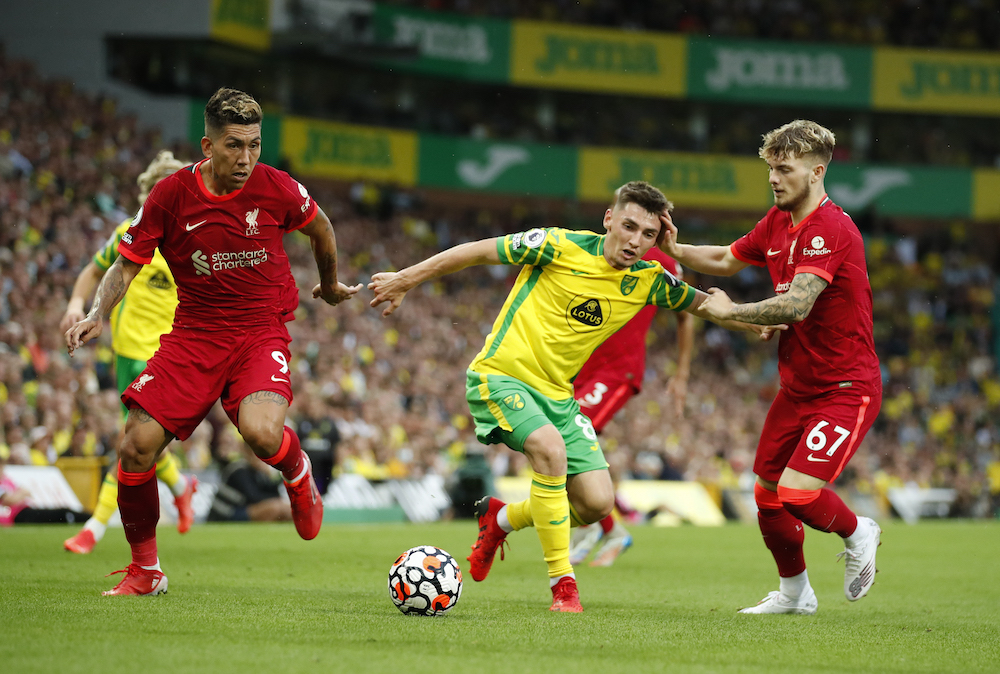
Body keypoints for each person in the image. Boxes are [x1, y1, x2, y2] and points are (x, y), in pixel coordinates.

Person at [369, 181, 784, 612]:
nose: (635, 241)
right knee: (550, 452)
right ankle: (563, 587)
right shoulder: (556, 245)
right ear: (609, 219)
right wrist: (405, 278)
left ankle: (501, 519)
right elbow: (475, 251)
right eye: (629, 226)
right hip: (501, 377)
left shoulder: (648, 280)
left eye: (648, 235)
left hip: (559, 397)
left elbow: (705, 307)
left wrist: (753, 319)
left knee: (595, 503)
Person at [65, 87, 361, 596]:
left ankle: (297, 470)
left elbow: (322, 229)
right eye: (233, 145)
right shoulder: (170, 196)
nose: (246, 158)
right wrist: (97, 313)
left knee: (264, 435)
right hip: (195, 335)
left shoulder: (277, 188)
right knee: (134, 445)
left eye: (254, 144)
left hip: (259, 329)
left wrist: (331, 285)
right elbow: (126, 262)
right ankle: (146, 571)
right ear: (207, 147)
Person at [660, 119, 883, 615]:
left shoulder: (832, 229)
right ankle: (795, 594)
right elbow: (724, 257)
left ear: (817, 171)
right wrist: (676, 250)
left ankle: (858, 530)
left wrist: (732, 314)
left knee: (798, 494)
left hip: (845, 387)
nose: (774, 179)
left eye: (784, 169)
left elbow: (797, 305)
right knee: (766, 494)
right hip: (798, 388)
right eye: (771, 169)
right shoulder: (777, 222)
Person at [61, 150, 198, 555]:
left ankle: (94, 528)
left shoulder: (193, 240)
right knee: (142, 445)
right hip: (126, 353)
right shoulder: (129, 231)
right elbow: (93, 269)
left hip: (166, 356)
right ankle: (181, 485)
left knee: (132, 442)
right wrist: (76, 304)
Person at [569, 246, 694, 567]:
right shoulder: (597, 249)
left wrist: (681, 374)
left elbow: (686, 312)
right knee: (554, 442)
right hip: (580, 367)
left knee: (570, 432)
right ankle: (602, 527)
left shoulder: (659, 260)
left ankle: (596, 527)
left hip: (616, 369)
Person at [207, 429, 293, 523]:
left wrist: (270, 476)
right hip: (226, 515)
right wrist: (279, 502)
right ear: (247, 452)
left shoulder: (257, 471)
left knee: (285, 508)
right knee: (275, 508)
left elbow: (274, 492)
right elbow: (253, 498)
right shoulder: (238, 470)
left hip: (241, 510)